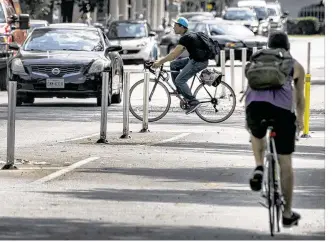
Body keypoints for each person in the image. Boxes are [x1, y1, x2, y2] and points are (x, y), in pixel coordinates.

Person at [245, 31, 304, 227]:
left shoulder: (257, 61)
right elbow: (300, 99)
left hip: (255, 107)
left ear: (269, 45)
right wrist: (300, 120)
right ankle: (287, 214)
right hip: (281, 112)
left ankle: (259, 166)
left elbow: (249, 89)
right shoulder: (294, 65)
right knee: (285, 162)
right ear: (288, 47)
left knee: (256, 132)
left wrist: (248, 121)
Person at [152, 17, 209, 114]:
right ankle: (180, 90)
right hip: (195, 59)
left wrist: (160, 62)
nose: (173, 28)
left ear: (182, 27)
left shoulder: (186, 38)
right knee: (174, 65)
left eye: (175, 26)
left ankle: (193, 101)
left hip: (198, 62)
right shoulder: (188, 35)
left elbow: (173, 55)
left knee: (179, 80)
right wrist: (160, 60)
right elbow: (174, 57)